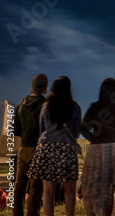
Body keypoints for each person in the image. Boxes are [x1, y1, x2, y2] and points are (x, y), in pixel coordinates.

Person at [79, 78, 115, 216]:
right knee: (109, 190)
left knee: (90, 186)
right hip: (114, 152)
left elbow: (83, 128)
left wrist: (95, 140)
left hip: (96, 150)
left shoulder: (94, 107)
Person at [27, 76, 81, 216]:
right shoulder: (74, 106)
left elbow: (42, 129)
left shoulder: (46, 105)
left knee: (48, 192)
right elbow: (75, 132)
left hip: (46, 148)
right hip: (66, 149)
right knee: (69, 191)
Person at [13, 74, 48, 216]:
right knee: (35, 188)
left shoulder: (21, 104)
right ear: (45, 87)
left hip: (23, 148)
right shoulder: (45, 105)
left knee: (19, 187)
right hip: (38, 150)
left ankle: (17, 213)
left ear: (32, 86)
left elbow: (15, 129)